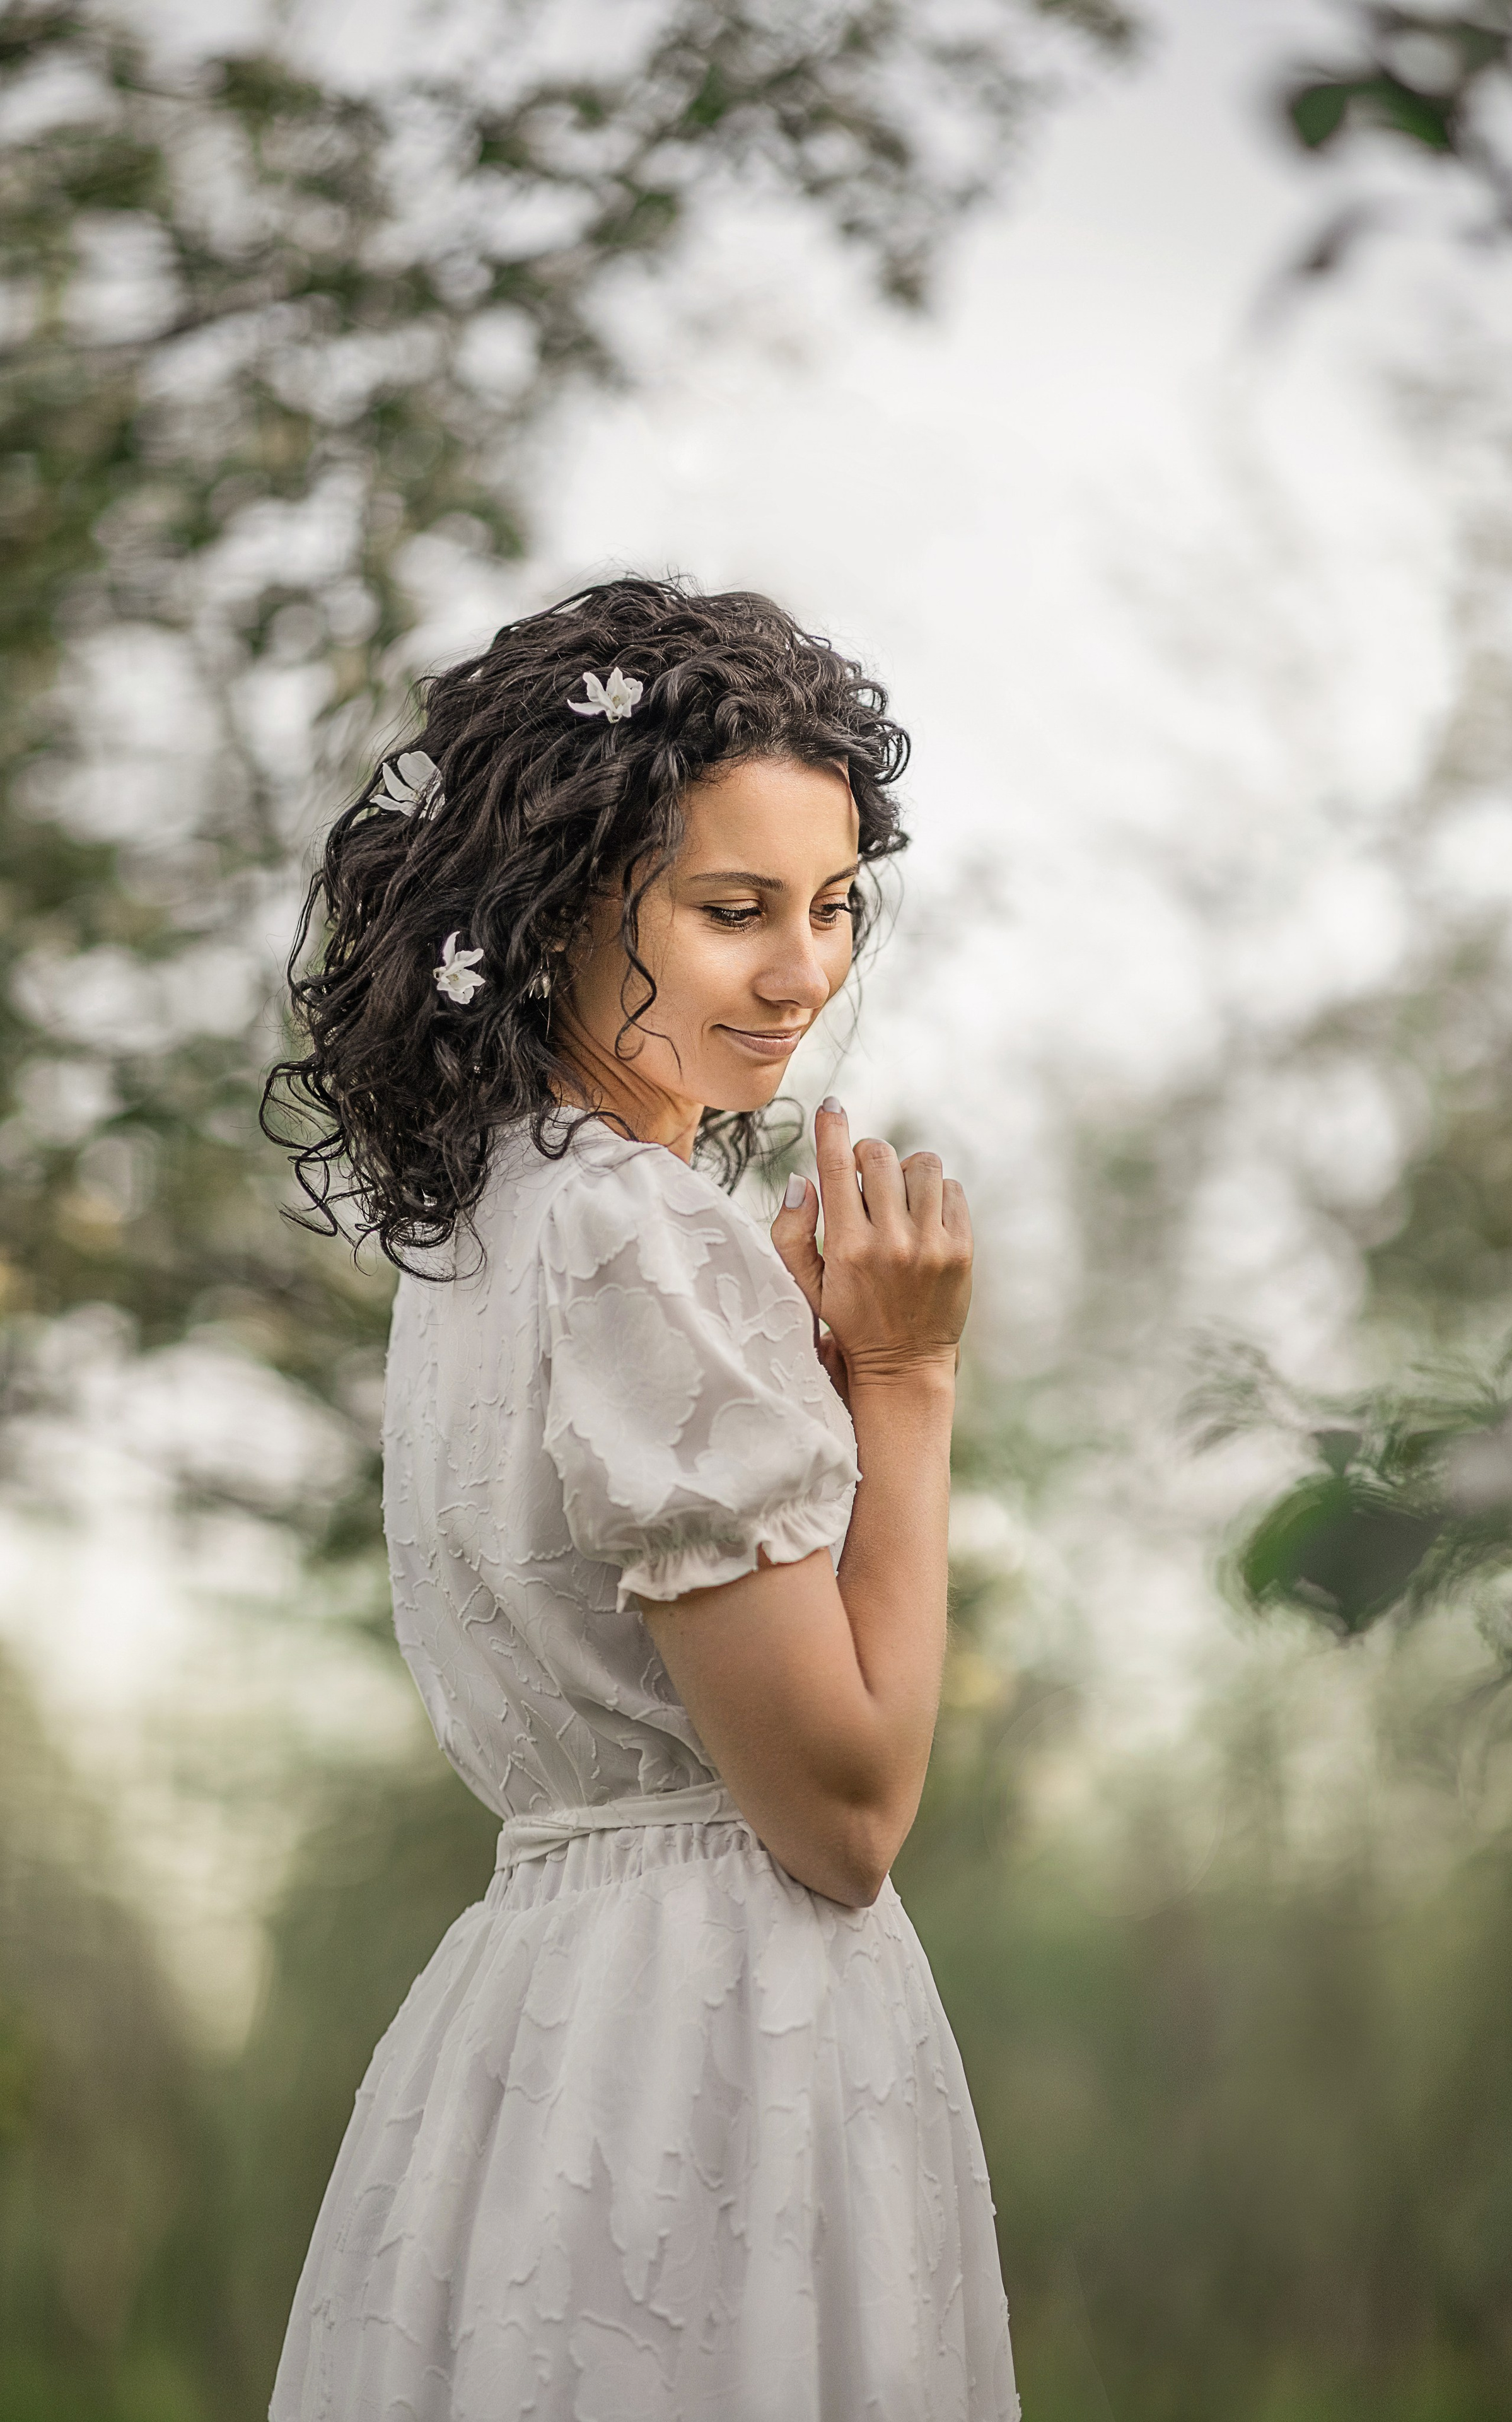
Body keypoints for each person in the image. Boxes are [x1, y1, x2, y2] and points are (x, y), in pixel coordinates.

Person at [262, 576, 1018, 2421]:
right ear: (554, 915)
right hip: (714, 2038)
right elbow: (842, 1813)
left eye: (833, 907)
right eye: (732, 909)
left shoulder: (499, 1219)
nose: (805, 972)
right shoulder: (632, 1230)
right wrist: (908, 1386)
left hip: (539, 2025)